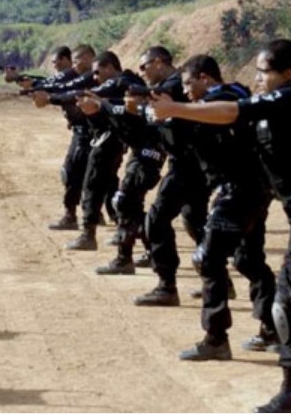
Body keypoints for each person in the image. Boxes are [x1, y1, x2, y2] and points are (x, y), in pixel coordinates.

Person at [151, 39, 291, 412]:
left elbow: (234, 111)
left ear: (286, 74)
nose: (257, 78)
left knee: (290, 300)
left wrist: (176, 107)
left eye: (264, 72)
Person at [163, 54, 279, 361]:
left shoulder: (227, 96)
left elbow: (222, 110)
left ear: (205, 78)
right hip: (251, 190)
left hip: (240, 190)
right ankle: (273, 329)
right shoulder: (219, 100)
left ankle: (216, 338)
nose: (186, 91)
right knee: (248, 259)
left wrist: (173, 109)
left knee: (209, 257)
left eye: (190, 84)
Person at [131, 47, 211, 305]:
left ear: (158, 62)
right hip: (191, 162)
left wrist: (142, 101)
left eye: (144, 67)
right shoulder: (172, 85)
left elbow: (171, 106)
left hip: (186, 164)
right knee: (195, 221)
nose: (142, 73)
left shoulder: (175, 84)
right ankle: (217, 280)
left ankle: (166, 285)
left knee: (156, 220)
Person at [77, 52, 163, 274]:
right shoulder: (124, 95)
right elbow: (114, 118)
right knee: (128, 204)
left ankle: (141, 257)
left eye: (145, 67)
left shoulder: (131, 84)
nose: (142, 73)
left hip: (149, 153)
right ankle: (140, 254)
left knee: (127, 202)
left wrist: (101, 102)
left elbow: (127, 111)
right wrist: (95, 110)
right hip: (140, 152)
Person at [32, 46, 121, 250]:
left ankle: (112, 226)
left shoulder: (110, 82)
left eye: (77, 60)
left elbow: (76, 93)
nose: (73, 65)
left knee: (101, 182)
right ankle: (87, 220)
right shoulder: (79, 77)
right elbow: (70, 91)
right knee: (80, 176)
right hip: (90, 134)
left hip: (102, 136)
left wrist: (51, 97)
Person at [7, 46, 88, 230]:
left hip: (88, 132)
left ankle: (74, 216)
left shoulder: (77, 77)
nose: (56, 65)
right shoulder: (72, 76)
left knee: (74, 173)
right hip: (83, 131)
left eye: (58, 61)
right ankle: (90, 213)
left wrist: (32, 86)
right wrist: (23, 81)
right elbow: (48, 83)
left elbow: (55, 86)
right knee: (86, 175)